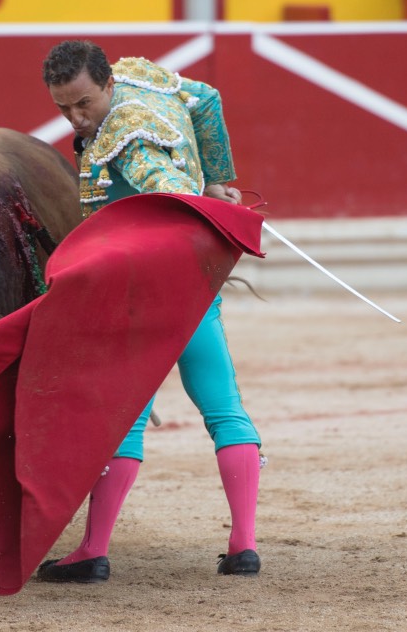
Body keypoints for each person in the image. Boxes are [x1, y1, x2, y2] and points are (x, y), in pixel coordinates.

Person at [35, 40, 263, 583]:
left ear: (108, 85)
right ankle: (243, 547)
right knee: (224, 408)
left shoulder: (124, 139)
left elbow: (170, 192)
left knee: (126, 420)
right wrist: (216, 177)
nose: (75, 117)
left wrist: (199, 192)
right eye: (63, 107)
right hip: (193, 290)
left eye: (83, 103)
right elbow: (205, 99)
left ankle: (92, 552)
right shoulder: (144, 78)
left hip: (141, 294)